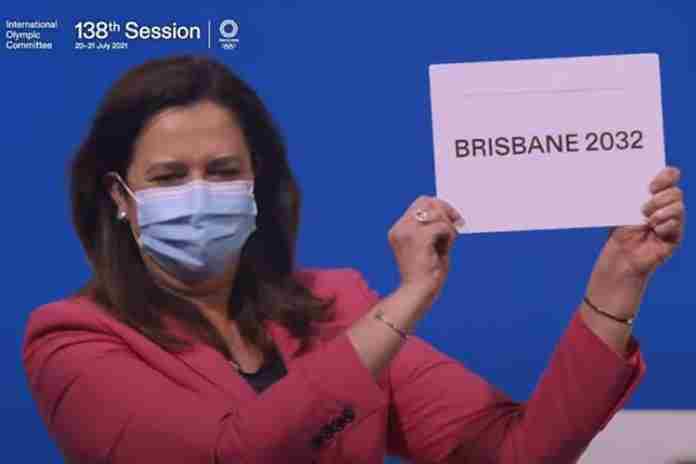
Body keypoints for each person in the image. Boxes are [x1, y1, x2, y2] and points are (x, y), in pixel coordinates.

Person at [21, 55, 685, 464]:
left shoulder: (334, 307)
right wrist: (406, 300)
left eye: (223, 171)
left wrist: (618, 281)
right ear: (119, 197)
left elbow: (518, 451)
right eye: (169, 178)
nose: (199, 194)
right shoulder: (73, 341)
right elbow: (234, 453)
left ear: (258, 180)